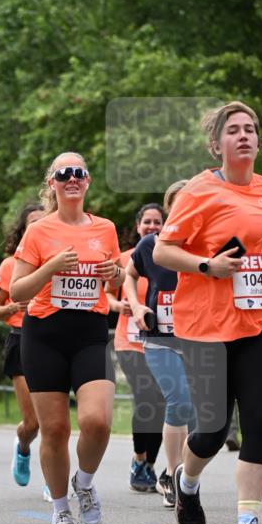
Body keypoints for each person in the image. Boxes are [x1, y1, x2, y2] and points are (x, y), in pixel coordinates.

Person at [154, 101, 262, 524]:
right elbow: (162, 251)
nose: (244, 136)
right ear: (216, 144)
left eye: (251, 129)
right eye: (233, 130)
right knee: (213, 429)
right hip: (207, 326)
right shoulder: (199, 192)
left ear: (259, 141)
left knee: (258, 425)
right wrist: (207, 265)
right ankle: (187, 480)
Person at [10, 152, 121, 524]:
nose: (72, 178)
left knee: (97, 421)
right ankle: (60, 510)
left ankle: (85, 484)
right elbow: (17, 290)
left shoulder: (104, 228)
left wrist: (116, 272)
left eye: (79, 172)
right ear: (53, 184)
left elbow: (119, 279)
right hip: (44, 335)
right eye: (63, 174)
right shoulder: (39, 231)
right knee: (54, 429)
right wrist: (50, 267)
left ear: (88, 181)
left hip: (90, 332)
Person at [123, 181, 194, 507]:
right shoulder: (151, 245)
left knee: (195, 411)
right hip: (159, 338)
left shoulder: (207, 241)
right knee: (177, 401)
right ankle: (172, 472)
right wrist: (137, 306)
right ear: (170, 210)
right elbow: (130, 275)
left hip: (197, 335)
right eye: (177, 202)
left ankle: (177, 475)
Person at [110, 205, 166, 492]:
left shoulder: (168, 257)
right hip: (128, 340)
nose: (152, 226)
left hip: (159, 339)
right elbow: (105, 292)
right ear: (138, 225)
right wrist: (117, 304)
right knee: (145, 396)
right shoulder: (124, 258)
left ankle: (149, 464)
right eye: (147, 222)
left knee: (159, 402)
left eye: (157, 222)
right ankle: (138, 457)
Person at [0, 202, 44, 486]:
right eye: (32, 222)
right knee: (33, 424)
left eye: (43, 221)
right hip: (21, 340)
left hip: (52, 338)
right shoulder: (11, 265)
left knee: (54, 423)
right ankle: (22, 447)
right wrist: (14, 307)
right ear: (22, 230)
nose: (38, 226)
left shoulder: (59, 261)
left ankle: (53, 481)